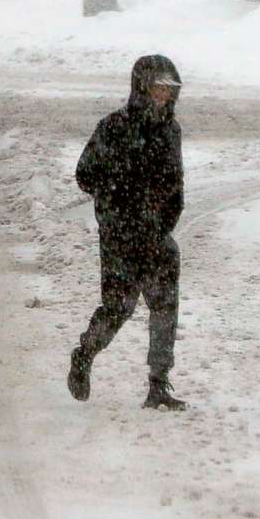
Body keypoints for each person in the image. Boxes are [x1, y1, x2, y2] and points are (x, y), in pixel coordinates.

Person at [68, 54, 189, 411]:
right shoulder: (113, 127)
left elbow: (175, 184)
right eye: (158, 88)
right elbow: (84, 175)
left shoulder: (171, 131)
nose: (164, 96)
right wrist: (116, 200)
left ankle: (158, 383)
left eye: (170, 90)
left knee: (165, 306)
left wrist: (166, 220)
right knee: (119, 307)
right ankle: (84, 354)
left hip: (157, 235)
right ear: (141, 88)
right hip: (120, 236)